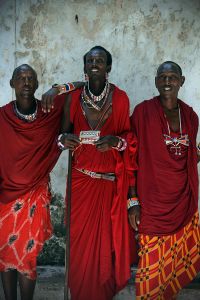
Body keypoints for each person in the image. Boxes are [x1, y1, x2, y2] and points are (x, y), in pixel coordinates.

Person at [46, 46, 137, 300]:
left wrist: (115, 141)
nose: (94, 63)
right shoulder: (73, 99)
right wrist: (66, 140)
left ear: (108, 67)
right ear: (85, 67)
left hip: (109, 187)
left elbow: (129, 142)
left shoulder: (120, 99)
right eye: (90, 60)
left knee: (106, 251)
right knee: (80, 250)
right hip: (81, 183)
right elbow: (60, 137)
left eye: (100, 60)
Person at [0, 64, 77, 300]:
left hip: (34, 194)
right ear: (12, 84)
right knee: (6, 255)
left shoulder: (49, 111)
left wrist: (57, 89)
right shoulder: (2, 117)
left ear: (36, 84)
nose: (26, 83)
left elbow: (81, 88)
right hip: (5, 197)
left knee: (27, 256)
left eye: (30, 78)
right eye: (21, 78)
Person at [129, 61, 200, 299]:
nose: (167, 81)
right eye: (162, 77)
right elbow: (131, 158)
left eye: (172, 77)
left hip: (183, 204)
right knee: (149, 278)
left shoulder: (190, 116)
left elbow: (186, 157)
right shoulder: (142, 113)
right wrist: (133, 201)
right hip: (152, 207)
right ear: (156, 81)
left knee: (171, 274)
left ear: (182, 81)